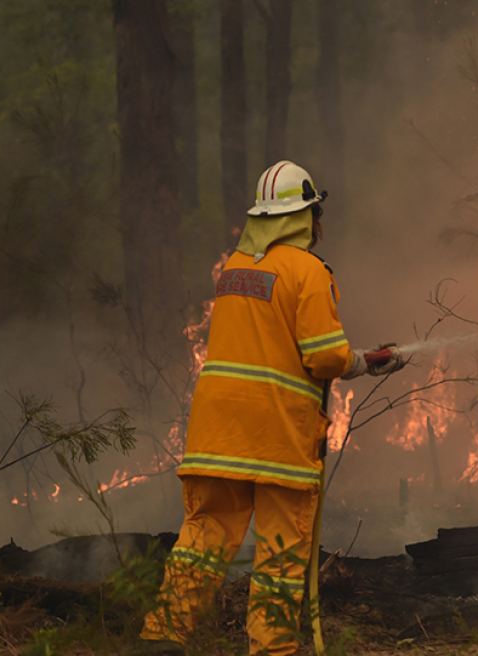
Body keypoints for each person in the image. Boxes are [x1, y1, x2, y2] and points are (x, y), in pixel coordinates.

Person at [139, 161, 406, 655]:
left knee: (203, 536)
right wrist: (364, 363)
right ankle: (272, 650)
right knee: (281, 553)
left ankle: (163, 636)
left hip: (215, 436)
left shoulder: (234, 271)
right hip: (276, 439)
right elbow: (323, 355)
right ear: (305, 217)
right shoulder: (308, 270)